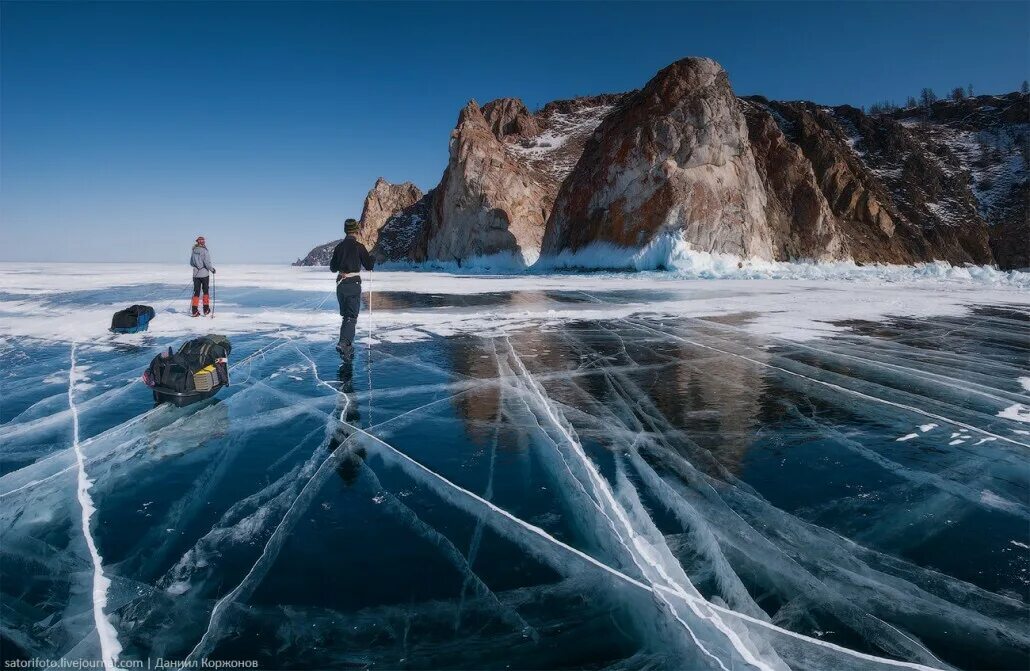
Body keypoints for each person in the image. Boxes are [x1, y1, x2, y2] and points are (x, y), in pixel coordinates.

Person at [329, 218, 374, 356]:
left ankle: (345, 344)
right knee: (351, 317)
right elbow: (369, 266)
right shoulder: (359, 247)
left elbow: (332, 268)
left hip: (341, 286)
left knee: (346, 316)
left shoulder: (339, 247)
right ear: (356, 230)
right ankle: (344, 343)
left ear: (345, 230)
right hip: (353, 285)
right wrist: (372, 258)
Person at [190, 235, 216, 317]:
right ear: (202, 242)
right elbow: (207, 263)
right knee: (205, 291)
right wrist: (212, 270)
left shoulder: (194, 251)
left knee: (196, 292)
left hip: (196, 275)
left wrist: (197, 266)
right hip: (204, 274)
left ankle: (194, 311)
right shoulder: (205, 251)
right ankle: (206, 309)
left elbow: (191, 263)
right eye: (203, 241)